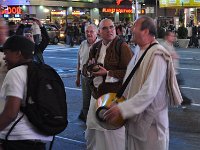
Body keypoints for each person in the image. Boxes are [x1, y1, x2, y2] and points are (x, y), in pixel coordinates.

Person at [103, 16, 183, 150]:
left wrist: (122, 109)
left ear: (145, 31)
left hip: (151, 127)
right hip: (136, 123)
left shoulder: (157, 55)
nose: (131, 30)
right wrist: (119, 102)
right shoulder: (139, 51)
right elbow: (130, 83)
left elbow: (149, 92)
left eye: (135, 27)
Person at [84, 18, 133, 150]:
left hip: (112, 99)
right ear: (99, 32)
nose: (109, 30)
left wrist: (107, 73)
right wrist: (90, 69)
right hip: (95, 97)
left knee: (112, 137)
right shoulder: (96, 47)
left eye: (111, 27)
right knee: (92, 132)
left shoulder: (122, 46)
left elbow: (131, 73)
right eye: (105, 28)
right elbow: (86, 68)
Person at [0, 35, 53, 149]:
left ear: (18, 53)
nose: (4, 57)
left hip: (18, 139)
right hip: (40, 138)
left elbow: (10, 113)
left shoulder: (15, 72)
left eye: (6, 53)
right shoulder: (41, 70)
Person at [76, 24, 99, 122]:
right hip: (84, 77)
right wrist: (77, 77)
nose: (89, 34)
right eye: (87, 32)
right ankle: (87, 123)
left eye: (91, 31)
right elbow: (79, 61)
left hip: (96, 78)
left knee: (96, 101)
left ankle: (96, 121)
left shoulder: (101, 44)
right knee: (86, 101)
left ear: (97, 32)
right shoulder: (83, 44)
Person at [161, 30, 192, 105]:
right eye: (172, 36)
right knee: (175, 88)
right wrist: (172, 56)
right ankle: (184, 100)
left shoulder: (170, 45)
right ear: (167, 37)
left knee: (176, 87)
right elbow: (163, 56)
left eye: (174, 36)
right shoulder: (164, 45)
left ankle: (182, 100)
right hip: (169, 72)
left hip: (174, 71)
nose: (174, 37)